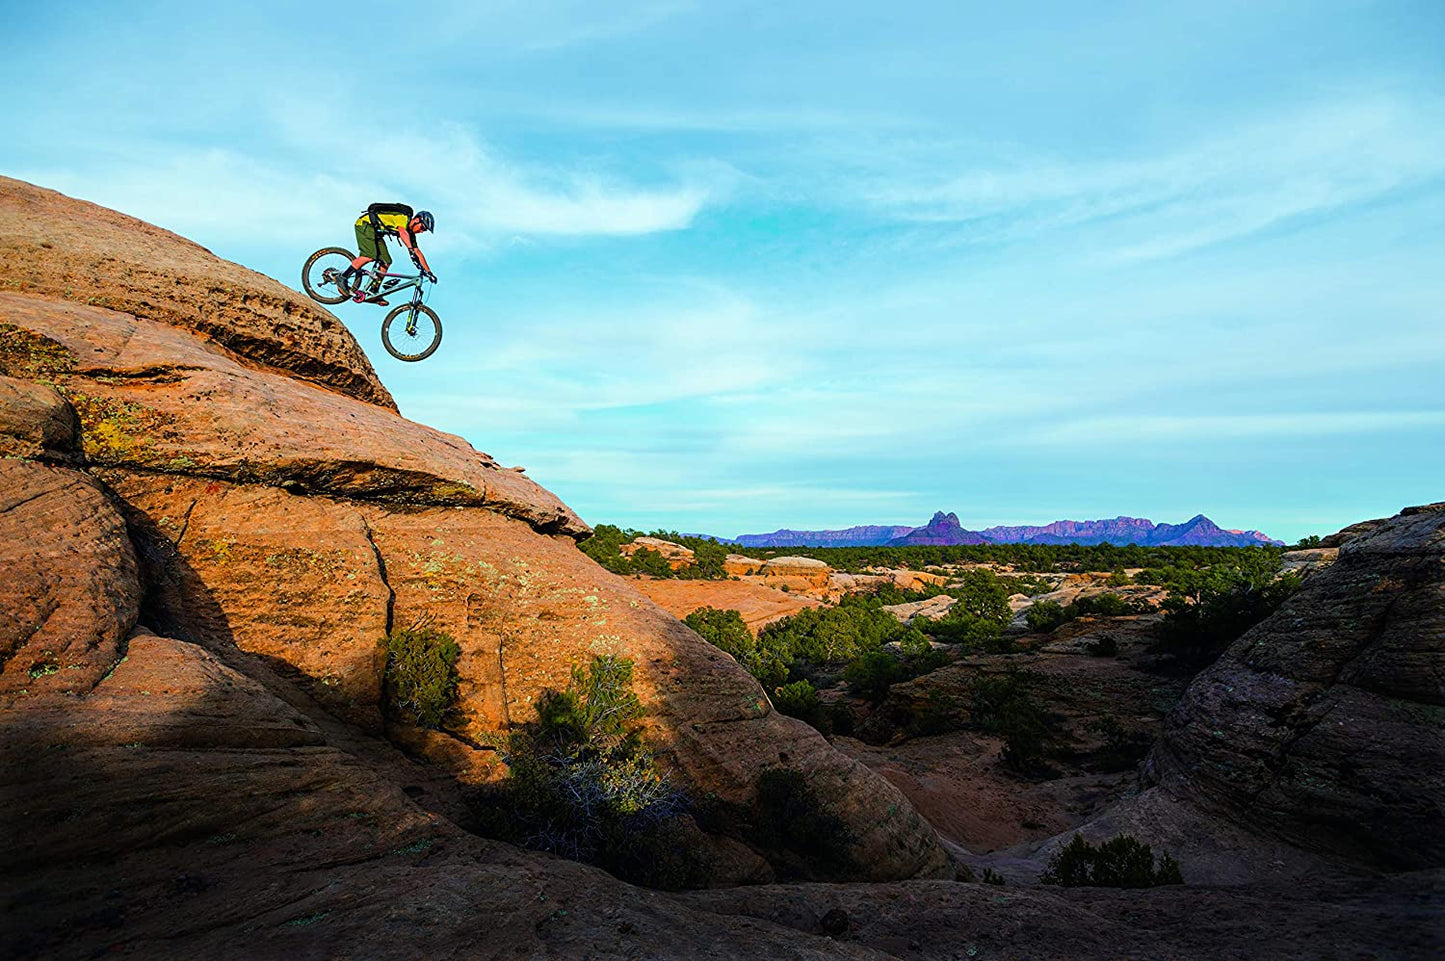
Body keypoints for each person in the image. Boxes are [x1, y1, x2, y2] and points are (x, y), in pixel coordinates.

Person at [338, 203, 436, 305]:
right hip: (365, 225)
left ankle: (373, 291)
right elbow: (403, 233)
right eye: (423, 228)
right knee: (369, 255)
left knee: (386, 262)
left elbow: (417, 252)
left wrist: (429, 272)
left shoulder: (410, 233)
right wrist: (410, 250)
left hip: (376, 232)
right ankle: (343, 277)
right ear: (417, 220)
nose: (422, 231)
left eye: (424, 230)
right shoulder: (403, 218)